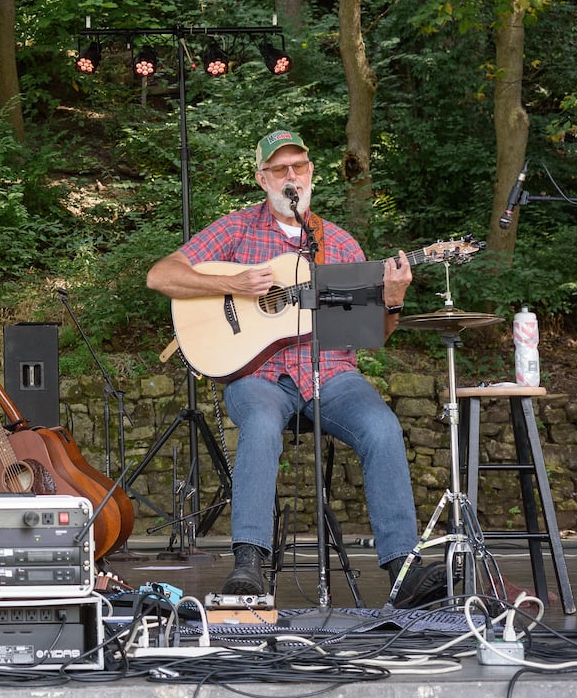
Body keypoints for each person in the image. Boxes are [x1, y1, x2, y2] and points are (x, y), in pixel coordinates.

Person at [145, 128, 447, 608]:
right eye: (280, 169)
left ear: (312, 174)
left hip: (332, 373)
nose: (291, 176)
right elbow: (160, 275)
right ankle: (248, 563)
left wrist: (392, 302)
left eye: (299, 167)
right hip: (258, 377)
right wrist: (240, 284)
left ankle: (402, 571)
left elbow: (372, 337)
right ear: (262, 177)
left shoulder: (341, 244)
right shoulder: (237, 229)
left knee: (383, 427)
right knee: (262, 426)